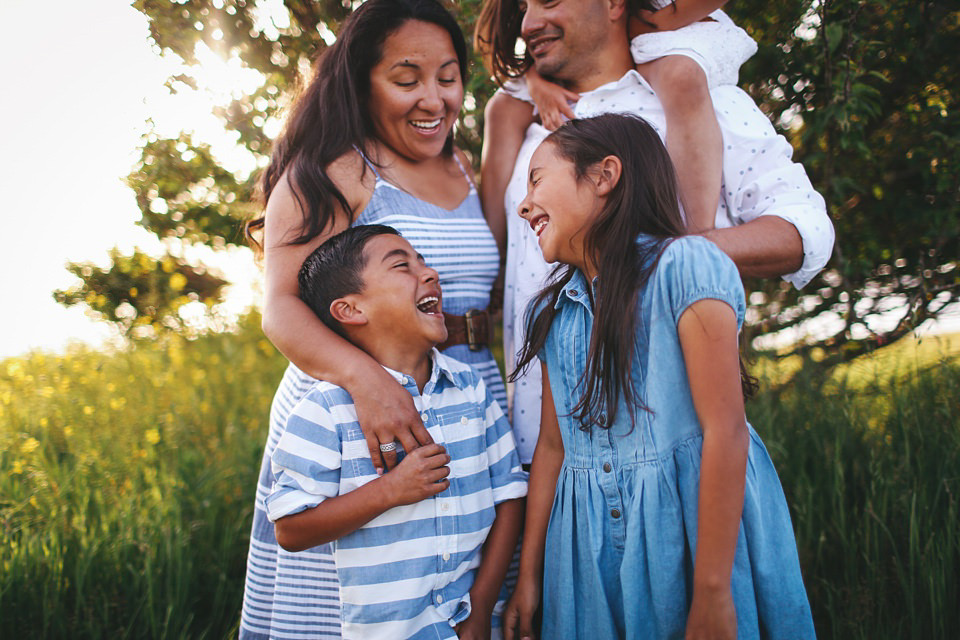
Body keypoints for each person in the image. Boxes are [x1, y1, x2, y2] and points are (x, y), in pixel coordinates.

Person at [239, 1, 508, 637]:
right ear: (362, 80)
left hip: (468, 393)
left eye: (447, 76)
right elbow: (279, 308)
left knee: (464, 577)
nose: (434, 99)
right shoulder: (333, 171)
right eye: (406, 78)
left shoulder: (465, 165)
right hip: (359, 410)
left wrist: (539, 86)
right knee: (371, 595)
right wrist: (370, 385)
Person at [475, 0, 835, 468]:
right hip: (542, 456)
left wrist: (668, 255)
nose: (527, 24)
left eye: (548, 0)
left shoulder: (698, 98)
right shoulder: (521, 117)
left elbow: (804, 229)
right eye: (523, 7)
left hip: (668, 451)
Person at [503, 113, 815, 639]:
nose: (524, 203)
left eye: (537, 179)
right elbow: (554, 448)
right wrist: (529, 576)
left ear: (604, 176)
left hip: (693, 536)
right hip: (586, 551)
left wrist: (714, 592)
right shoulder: (552, 314)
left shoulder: (686, 267)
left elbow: (725, 431)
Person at [265, 225, 526, 640]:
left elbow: (509, 496)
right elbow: (291, 530)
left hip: (478, 625)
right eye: (403, 265)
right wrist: (391, 490)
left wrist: (481, 606)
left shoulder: (471, 387)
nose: (430, 273)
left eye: (423, 261)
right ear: (350, 310)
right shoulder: (325, 409)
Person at [480, 0, 756, 235]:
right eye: (524, 6)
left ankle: (696, 235)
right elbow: (490, 35)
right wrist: (533, 81)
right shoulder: (515, 100)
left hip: (670, 26)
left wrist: (648, 23)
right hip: (626, 28)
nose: (527, 22)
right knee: (503, 106)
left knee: (680, 75)